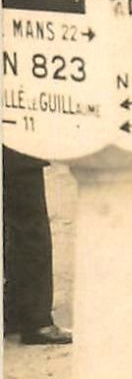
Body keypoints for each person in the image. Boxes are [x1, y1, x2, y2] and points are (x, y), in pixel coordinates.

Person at [3, 145, 70, 345]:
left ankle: (15, 315)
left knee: (18, 226)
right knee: (30, 227)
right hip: (14, 143)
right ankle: (35, 321)